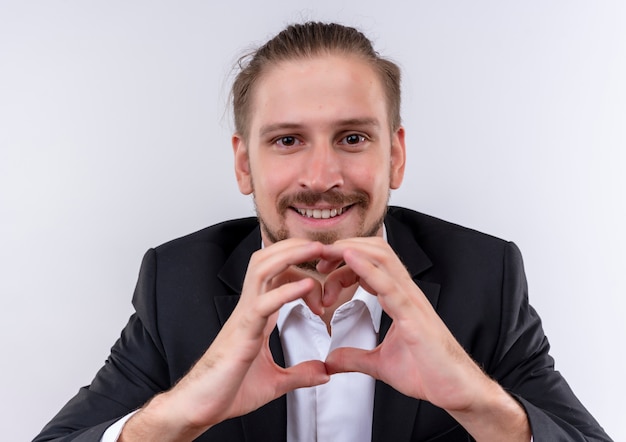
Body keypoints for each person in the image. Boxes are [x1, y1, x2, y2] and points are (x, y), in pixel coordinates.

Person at [35, 22, 611, 442]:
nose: (322, 178)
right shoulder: (174, 283)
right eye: (287, 140)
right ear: (244, 165)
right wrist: (178, 415)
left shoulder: (485, 277)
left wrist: (478, 403)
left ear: (396, 155)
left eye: (353, 138)